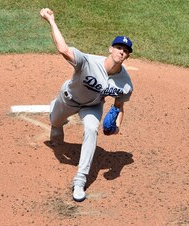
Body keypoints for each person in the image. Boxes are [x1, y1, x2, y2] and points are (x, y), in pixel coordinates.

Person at [40, 8, 133, 202]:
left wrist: (117, 126)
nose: (121, 52)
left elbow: (119, 106)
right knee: (56, 122)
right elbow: (63, 49)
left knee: (92, 129)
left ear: (127, 57)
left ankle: (80, 181)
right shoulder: (88, 61)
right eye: (118, 48)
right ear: (110, 49)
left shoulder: (125, 83)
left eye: (125, 51)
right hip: (68, 98)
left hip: (93, 106)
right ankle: (56, 120)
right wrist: (51, 20)